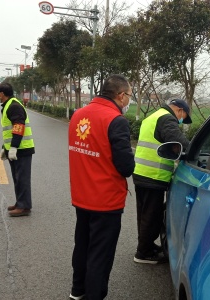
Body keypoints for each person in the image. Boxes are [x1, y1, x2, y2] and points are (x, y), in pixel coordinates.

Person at [67, 74, 135, 300]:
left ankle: (77, 290)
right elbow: (125, 166)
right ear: (120, 95)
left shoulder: (78, 115)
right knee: (100, 253)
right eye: (129, 96)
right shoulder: (116, 121)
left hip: (81, 195)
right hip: (106, 200)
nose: (129, 101)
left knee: (83, 244)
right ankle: (94, 295)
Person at [132, 99, 192, 264]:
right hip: (154, 175)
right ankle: (143, 253)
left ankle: (147, 246)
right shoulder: (167, 118)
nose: (181, 121)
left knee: (145, 214)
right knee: (152, 216)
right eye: (183, 117)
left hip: (141, 172)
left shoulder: (153, 116)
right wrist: (195, 152)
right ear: (179, 110)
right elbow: (178, 141)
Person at [0, 82, 35, 217]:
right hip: (15, 148)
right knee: (17, 178)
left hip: (22, 149)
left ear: (2, 94)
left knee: (22, 178)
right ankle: (20, 203)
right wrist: (5, 147)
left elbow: (19, 126)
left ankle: (24, 206)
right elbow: (8, 131)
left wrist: (14, 147)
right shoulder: (8, 105)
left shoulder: (14, 106)